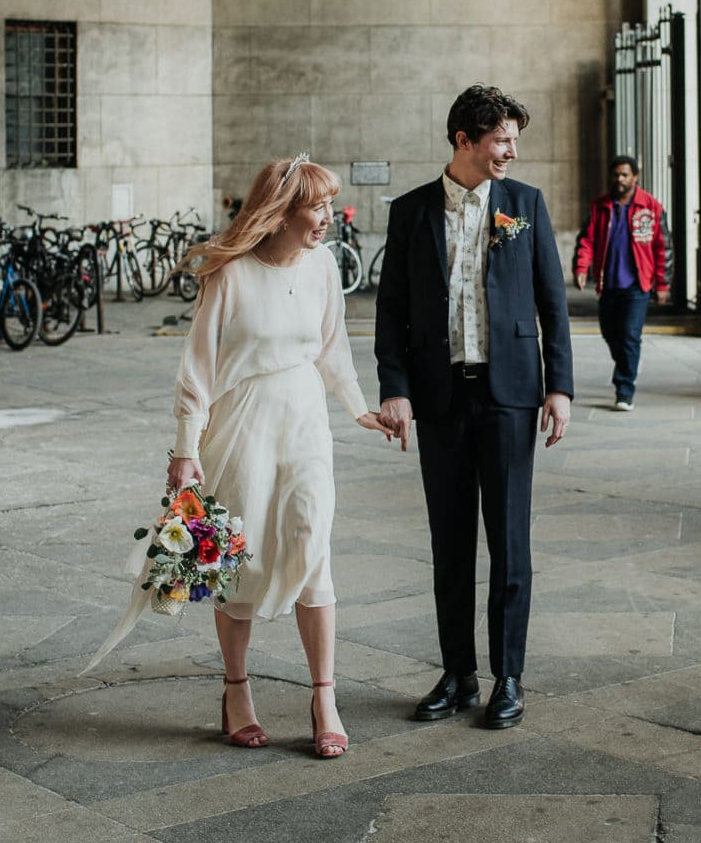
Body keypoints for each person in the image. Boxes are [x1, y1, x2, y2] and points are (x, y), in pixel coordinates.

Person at [166, 155, 400, 758]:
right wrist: (186, 451)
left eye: (328, 206)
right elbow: (197, 370)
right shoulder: (232, 275)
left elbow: (332, 349)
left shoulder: (324, 268)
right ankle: (236, 689)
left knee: (311, 545)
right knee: (237, 556)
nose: (327, 218)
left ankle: (324, 695)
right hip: (241, 427)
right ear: (280, 211)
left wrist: (357, 407)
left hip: (305, 425)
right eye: (316, 207)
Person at [374, 85, 574, 730]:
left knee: (510, 545)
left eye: (514, 140)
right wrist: (394, 388)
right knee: (450, 546)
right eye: (501, 140)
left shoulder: (525, 206)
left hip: (511, 396)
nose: (511, 152)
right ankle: (457, 674)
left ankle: (507, 678)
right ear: (464, 139)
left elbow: (553, 304)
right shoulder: (410, 213)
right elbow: (391, 315)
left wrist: (560, 387)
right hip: (440, 399)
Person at [572, 155, 670, 410]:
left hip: (638, 285)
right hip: (609, 284)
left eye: (625, 174)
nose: (620, 179)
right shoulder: (600, 207)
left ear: (635, 177)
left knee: (628, 336)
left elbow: (663, 248)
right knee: (610, 332)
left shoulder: (651, 207)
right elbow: (587, 241)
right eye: (616, 174)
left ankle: (625, 389)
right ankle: (628, 361)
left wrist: (662, 283)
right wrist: (582, 268)